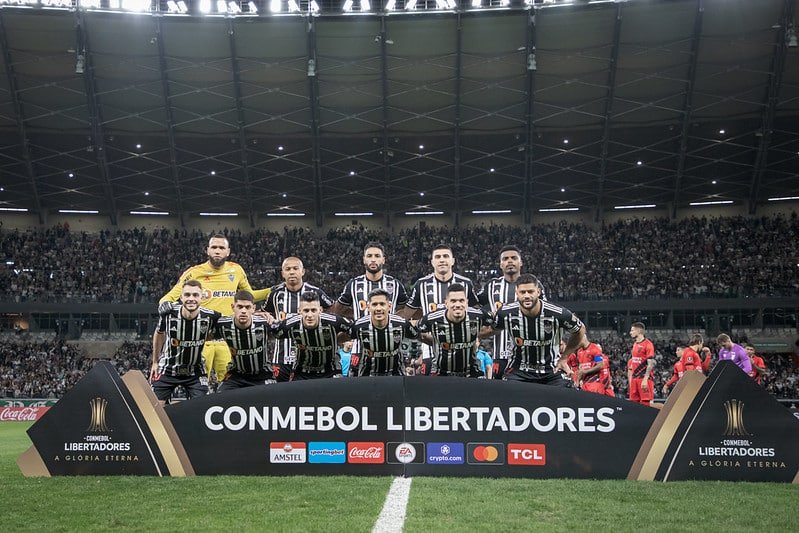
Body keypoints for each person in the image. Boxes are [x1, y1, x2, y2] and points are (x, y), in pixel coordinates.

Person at [159, 234, 270, 388]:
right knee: (199, 386)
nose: (217, 251)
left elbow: (250, 296)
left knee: (228, 385)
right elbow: (172, 295)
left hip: (226, 341)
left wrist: (272, 290)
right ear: (208, 250)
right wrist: (164, 303)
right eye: (214, 247)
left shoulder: (236, 270)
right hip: (202, 341)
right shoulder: (194, 272)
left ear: (228, 251)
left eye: (221, 248)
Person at [489, 274, 585, 387]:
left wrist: (564, 358)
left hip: (551, 371)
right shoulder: (505, 313)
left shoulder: (558, 313)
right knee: (508, 397)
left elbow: (580, 330)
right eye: (523, 292)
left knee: (567, 397)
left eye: (530, 291)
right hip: (518, 372)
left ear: (538, 292)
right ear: (517, 293)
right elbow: (491, 329)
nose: (527, 296)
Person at [331, 242, 409, 376]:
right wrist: (356, 314)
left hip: (391, 348)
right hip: (360, 350)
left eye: (377, 256)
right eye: (369, 256)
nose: (373, 259)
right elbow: (337, 310)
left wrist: (395, 318)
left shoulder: (395, 284)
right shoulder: (354, 284)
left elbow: (407, 310)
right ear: (364, 259)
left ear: (383, 259)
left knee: (393, 393)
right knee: (358, 393)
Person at [401, 244, 480, 375]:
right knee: (431, 392)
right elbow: (406, 315)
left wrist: (476, 338)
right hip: (430, 351)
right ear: (432, 262)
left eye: (445, 256)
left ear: (453, 260)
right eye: (438, 257)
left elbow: (477, 315)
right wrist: (420, 334)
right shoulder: (421, 284)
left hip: (463, 351)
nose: (442, 260)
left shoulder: (466, 283)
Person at [261, 257, 335, 382]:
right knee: (281, 396)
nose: (292, 272)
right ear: (283, 273)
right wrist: (266, 317)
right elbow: (263, 313)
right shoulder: (275, 294)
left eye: (295, 268)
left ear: (302, 271)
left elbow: (333, 310)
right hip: (281, 358)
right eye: (288, 269)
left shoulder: (315, 292)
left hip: (309, 359)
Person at [151, 280, 221, 404]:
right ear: (181, 297)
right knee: (155, 409)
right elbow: (159, 333)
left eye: (195, 295)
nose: (191, 299)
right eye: (187, 295)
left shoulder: (212, 317)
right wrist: (155, 362)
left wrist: (261, 314)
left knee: (202, 408)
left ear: (202, 297)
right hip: (168, 369)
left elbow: (235, 323)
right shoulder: (168, 314)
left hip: (196, 371)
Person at [270, 291, 351, 380]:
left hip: (330, 371)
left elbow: (355, 330)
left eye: (313, 310)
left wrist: (338, 339)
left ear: (320, 310)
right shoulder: (290, 325)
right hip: (302, 372)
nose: (310, 315)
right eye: (306, 310)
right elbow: (271, 332)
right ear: (299, 311)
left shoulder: (334, 322)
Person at [416, 284, 493, 377]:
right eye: (453, 301)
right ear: (446, 303)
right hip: (441, 372)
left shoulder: (478, 315)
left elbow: (496, 326)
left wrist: (478, 335)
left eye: (461, 301)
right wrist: (434, 341)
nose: (457, 305)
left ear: (467, 302)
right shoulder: (431, 319)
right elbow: (416, 331)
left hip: (471, 371)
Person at [348, 288, 418, 376]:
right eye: (374, 304)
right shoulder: (358, 326)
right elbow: (345, 336)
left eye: (382, 304)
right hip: (368, 374)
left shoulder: (402, 324)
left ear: (389, 306)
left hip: (396, 374)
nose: (378, 308)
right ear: (368, 307)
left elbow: (417, 335)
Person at [478, 245, 523, 379]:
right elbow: (473, 305)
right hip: (500, 355)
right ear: (501, 264)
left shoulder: (531, 284)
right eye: (506, 259)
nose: (510, 261)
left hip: (525, 356)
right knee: (498, 397)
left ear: (520, 262)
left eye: (513, 258)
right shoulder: (492, 286)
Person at [214, 290, 275, 391]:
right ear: (233, 307)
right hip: (236, 375)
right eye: (240, 307)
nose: (243, 311)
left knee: (273, 399)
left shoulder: (265, 324)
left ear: (253, 308)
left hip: (262, 375)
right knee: (219, 398)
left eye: (247, 307)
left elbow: (286, 330)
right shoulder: (223, 325)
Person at [627, 322, 656, 407]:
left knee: (645, 404)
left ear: (639, 331)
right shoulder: (635, 344)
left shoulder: (648, 344)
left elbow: (650, 364)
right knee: (633, 404)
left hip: (644, 378)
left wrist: (645, 379)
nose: (630, 332)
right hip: (635, 379)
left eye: (632, 330)